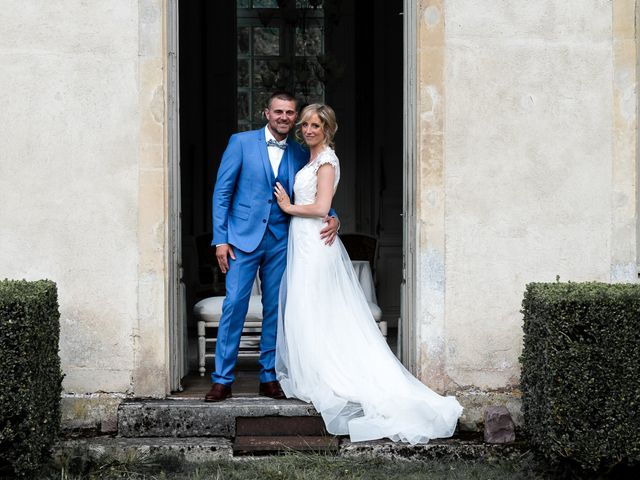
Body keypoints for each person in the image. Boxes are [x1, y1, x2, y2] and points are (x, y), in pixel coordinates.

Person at [273, 104, 463, 444]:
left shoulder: (327, 161)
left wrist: (288, 207)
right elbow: (323, 207)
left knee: (314, 306)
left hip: (314, 242)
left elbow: (320, 207)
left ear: (328, 129)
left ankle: (329, 375)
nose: (308, 130)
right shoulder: (312, 160)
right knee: (306, 308)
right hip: (303, 242)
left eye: (315, 125)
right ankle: (312, 372)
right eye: (305, 125)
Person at [206, 92, 339, 402]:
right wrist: (221, 239)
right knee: (234, 306)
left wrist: (334, 217)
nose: (284, 117)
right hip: (242, 240)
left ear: (294, 117)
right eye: (278, 111)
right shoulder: (240, 143)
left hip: (283, 241)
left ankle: (268, 376)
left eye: (289, 113)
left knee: (275, 310)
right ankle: (222, 379)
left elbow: (315, 193)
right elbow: (221, 193)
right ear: (266, 113)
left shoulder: (299, 151)